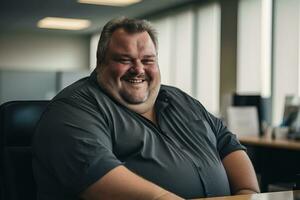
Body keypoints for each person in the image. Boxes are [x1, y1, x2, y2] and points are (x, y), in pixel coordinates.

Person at [32, 17, 260, 200]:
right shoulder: (74, 109)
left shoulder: (180, 100)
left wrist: (248, 192)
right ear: (101, 62)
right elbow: (98, 177)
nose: (138, 69)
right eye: (125, 59)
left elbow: (226, 143)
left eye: (148, 60)